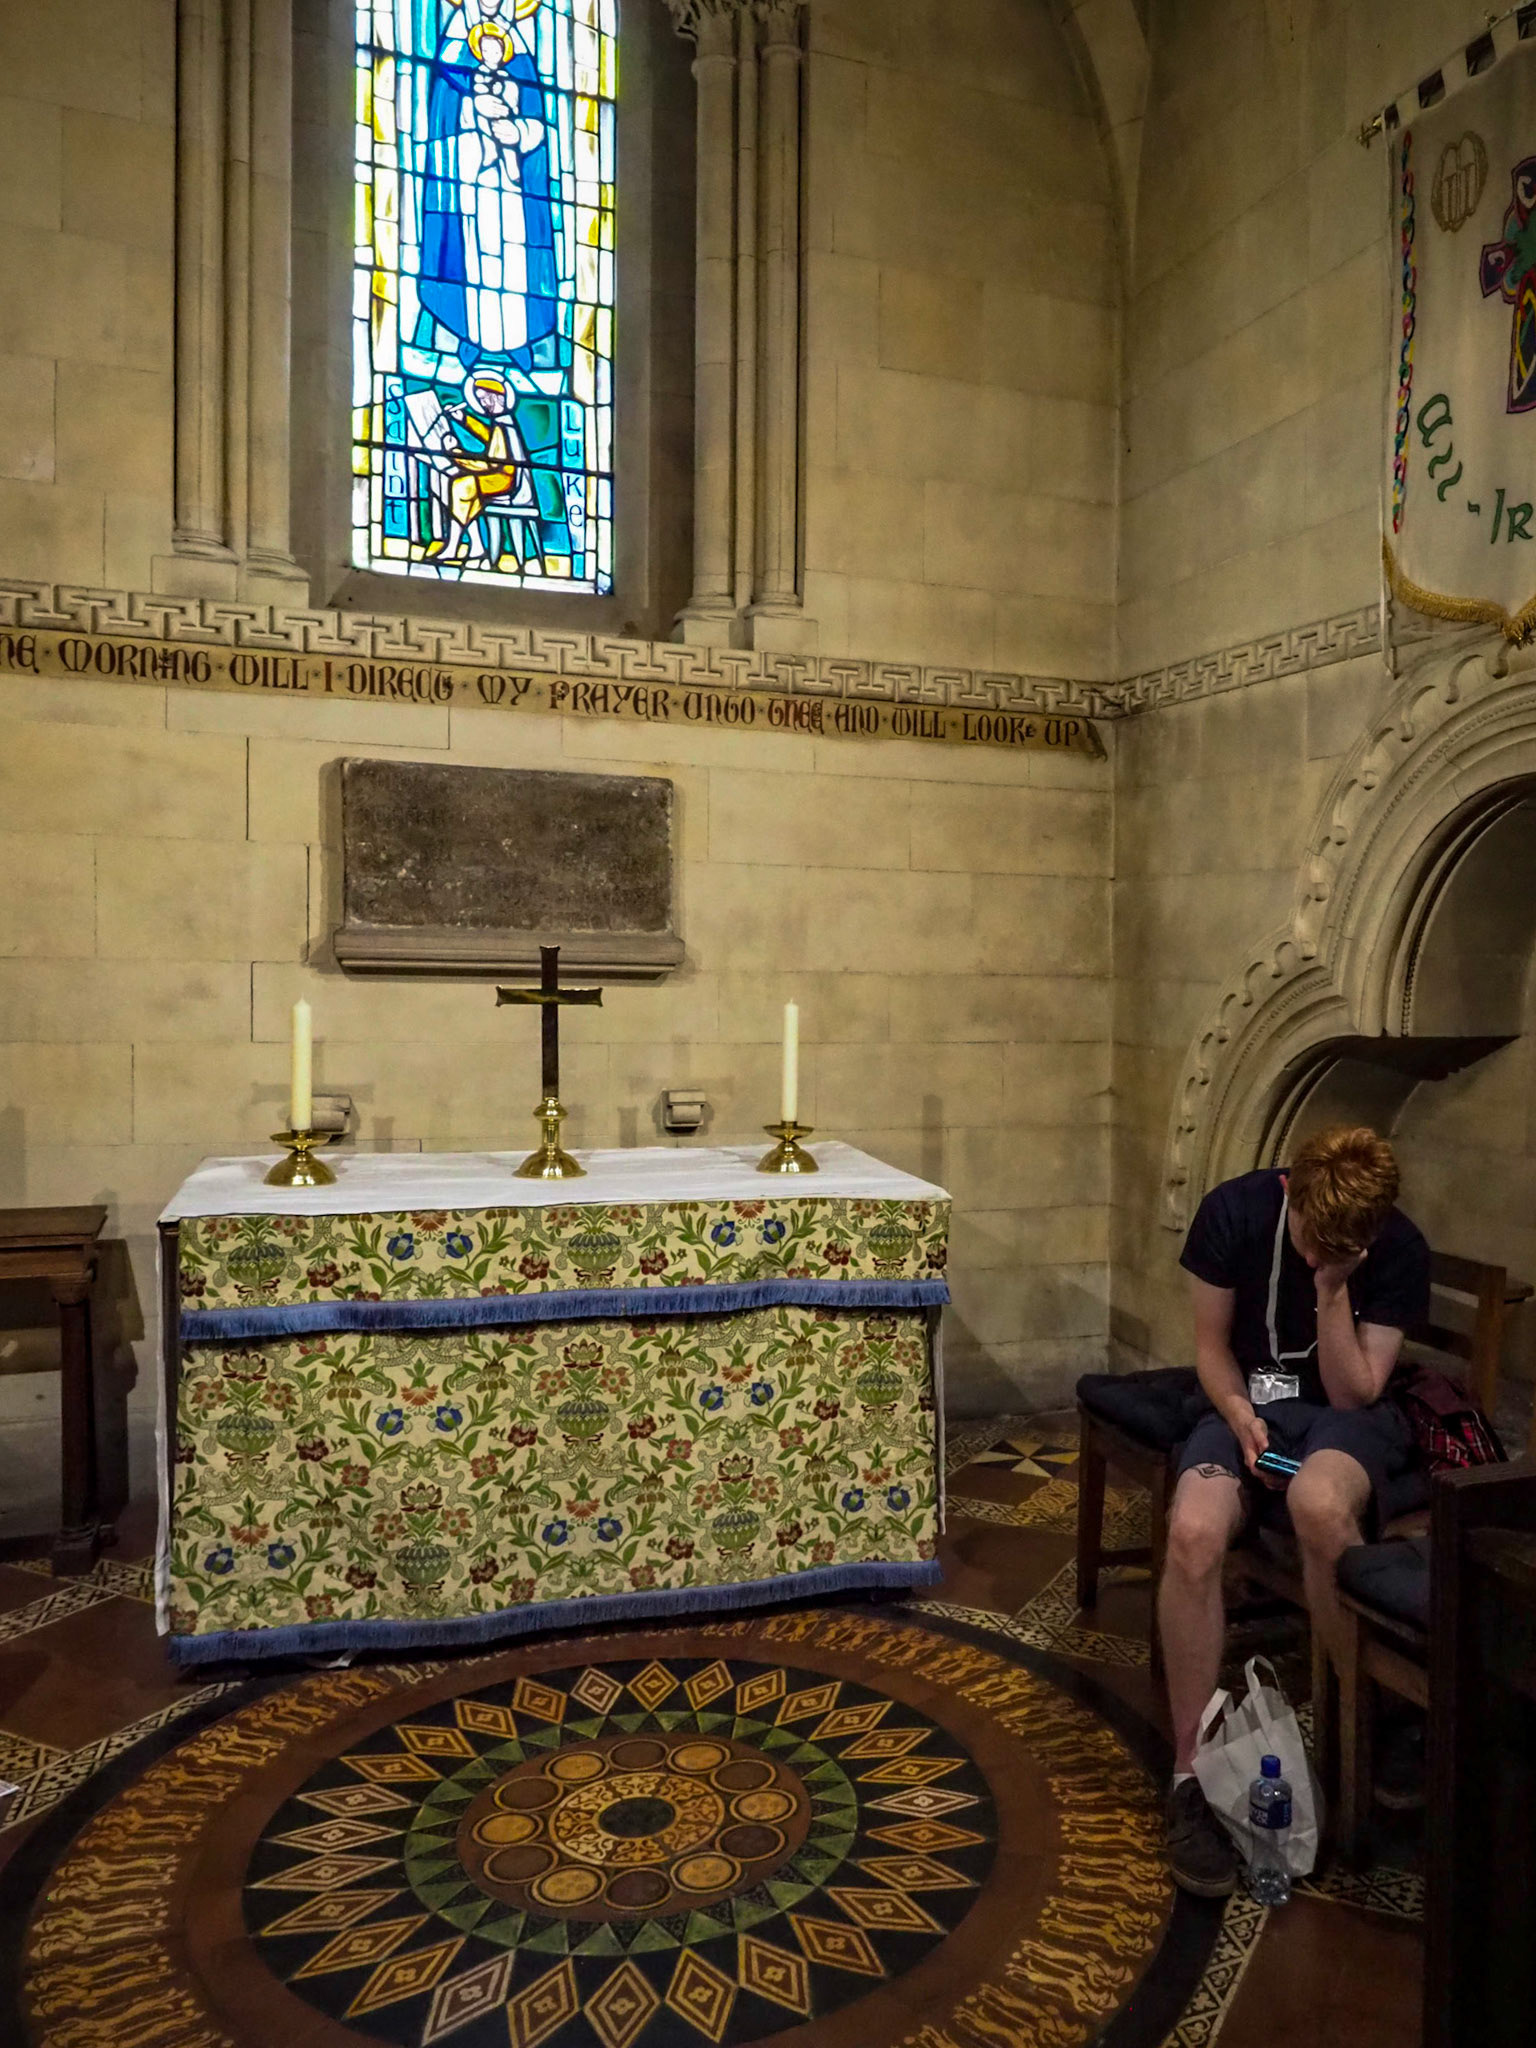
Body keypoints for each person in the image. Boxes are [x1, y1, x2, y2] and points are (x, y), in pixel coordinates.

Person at [1159, 1126, 1430, 1897]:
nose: (1316, 1257)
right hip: (1247, 1399)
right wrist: (1241, 1414)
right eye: (1312, 1244)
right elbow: (1211, 1347)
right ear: (1291, 1191)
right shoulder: (1234, 1212)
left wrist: (1332, 1289)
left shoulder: (1396, 1247)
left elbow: (1356, 1392)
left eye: (1339, 1250)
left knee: (1318, 1502)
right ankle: (1188, 1774)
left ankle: (1358, 1733)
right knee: (1193, 1532)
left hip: (1346, 1416)